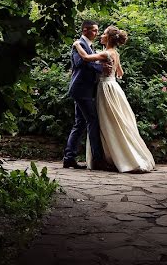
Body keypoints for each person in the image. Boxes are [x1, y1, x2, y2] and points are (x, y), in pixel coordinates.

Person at [87, 26, 156, 172]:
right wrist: (112, 73)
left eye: (104, 34)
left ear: (109, 38)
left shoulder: (106, 53)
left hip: (106, 88)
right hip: (115, 87)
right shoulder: (115, 53)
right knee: (118, 120)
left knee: (108, 121)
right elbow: (121, 72)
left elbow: (86, 58)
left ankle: (117, 156)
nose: (101, 36)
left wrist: (75, 45)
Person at [63, 20, 114, 170]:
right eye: (94, 31)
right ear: (85, 30)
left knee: (79, 123)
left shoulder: (88, 47)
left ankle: (69, 158)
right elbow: (81, 63)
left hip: (85, 90)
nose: (97, 33)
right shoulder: (79, 44)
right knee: (93, 121)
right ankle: (97, 160)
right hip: (81, 90)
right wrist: (100, 68)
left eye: (98, 31)